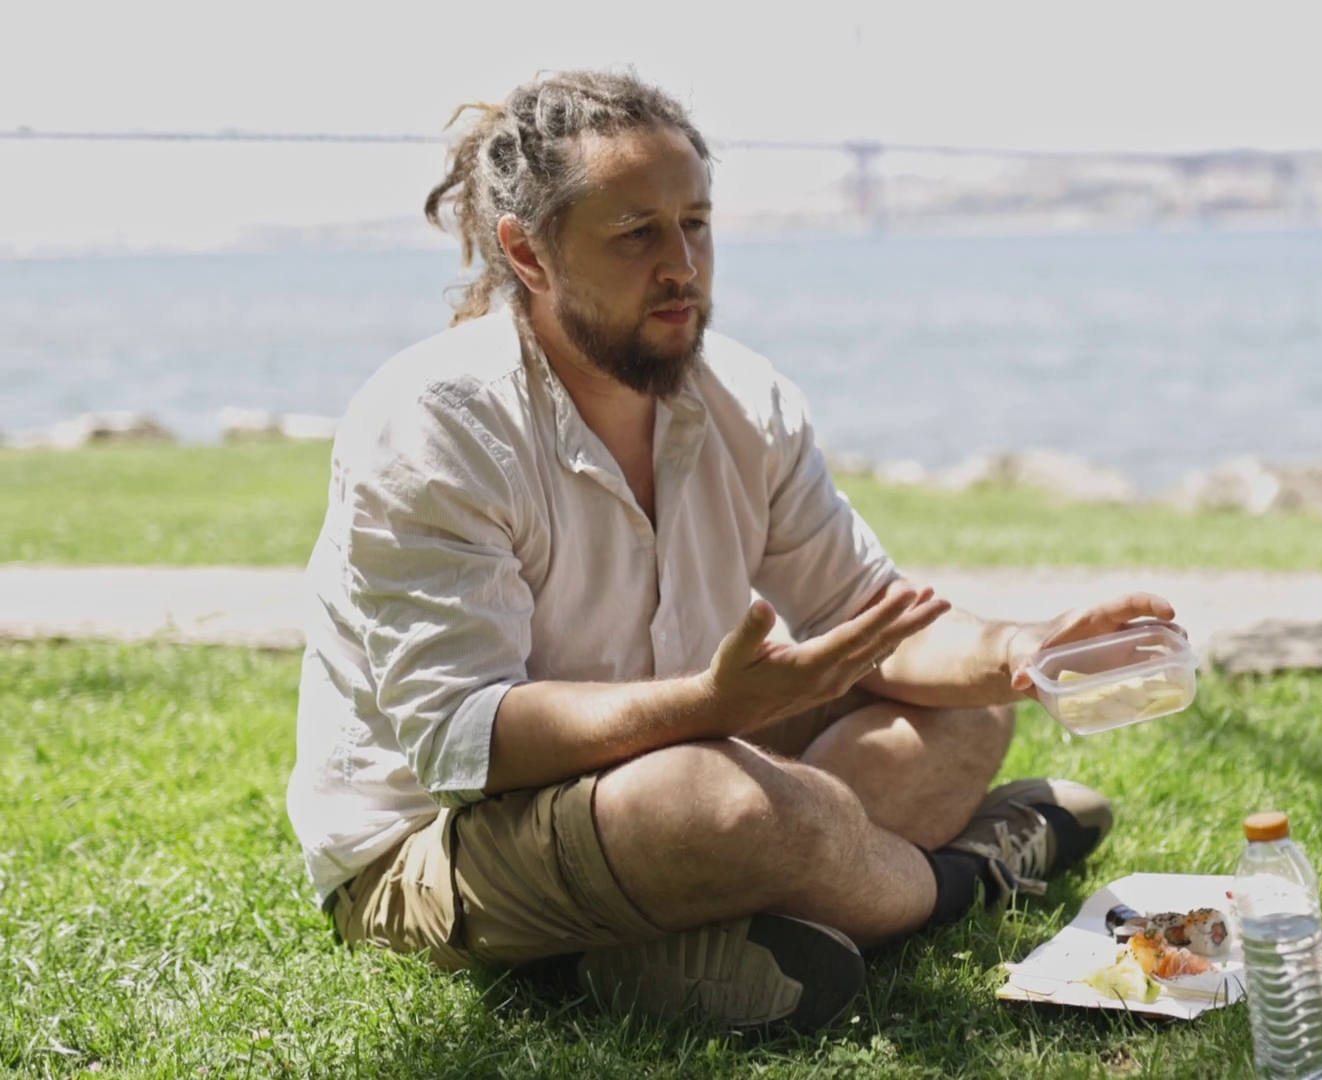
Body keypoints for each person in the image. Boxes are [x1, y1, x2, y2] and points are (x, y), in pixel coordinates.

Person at [286, 69, 1175, 1033]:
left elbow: (868, 615)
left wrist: (1022, 650)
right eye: (636, 233)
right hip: (436, 841)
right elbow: (465, 740)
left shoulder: (746, 400)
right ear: (528, 253)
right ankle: (966, 874)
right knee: (717, 803)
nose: (682, 265)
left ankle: (711, 927)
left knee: (963, 708)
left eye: (696, 225)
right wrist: (711, 709)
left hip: (673, 763)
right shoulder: (437, 422)